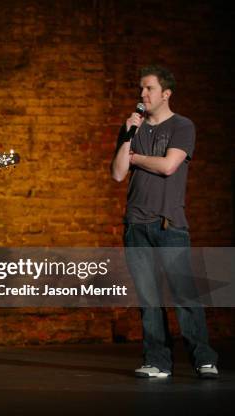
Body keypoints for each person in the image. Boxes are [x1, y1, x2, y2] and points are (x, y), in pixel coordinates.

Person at [111, 65, 218, 379]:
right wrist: (128, 138)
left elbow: (169, 166)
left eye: (149, 89)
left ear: (166, 94)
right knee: (148, 298)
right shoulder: (132, 127)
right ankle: (157, 361)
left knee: (184, 295)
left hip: (168, 225)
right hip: (135, 225)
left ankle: (203, 358)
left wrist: (136, 160)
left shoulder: (183, 126)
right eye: (140, 89)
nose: (142, 95)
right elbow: (118, 174)